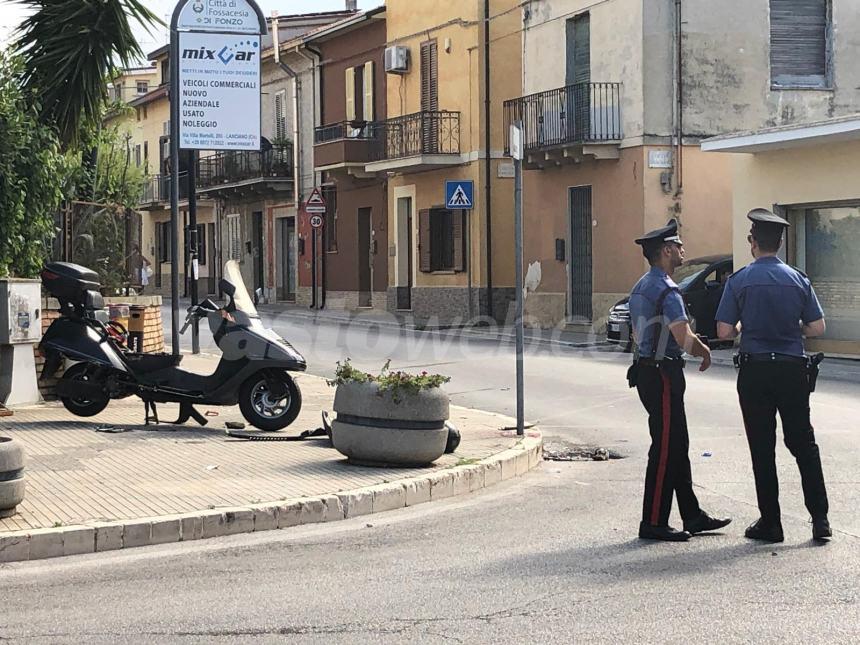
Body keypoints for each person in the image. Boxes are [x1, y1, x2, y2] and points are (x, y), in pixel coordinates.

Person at [716, 209, 831, 543]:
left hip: (755, 371)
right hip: (792, 369)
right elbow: (817, 327)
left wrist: (743, 325)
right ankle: (820, 519)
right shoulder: (798, 279)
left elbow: (724, 330)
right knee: (803, 443)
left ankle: (772, 523)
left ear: (753, 242)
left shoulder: (739, 281)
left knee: (762, 447)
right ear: (780, 244)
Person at [629, 219, 731, 542]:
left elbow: (638, 332)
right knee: (664, 448)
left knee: (677, 444)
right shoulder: (667, 289)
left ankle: (691, 514)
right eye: (678, 245)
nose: (683, 249)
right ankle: (654, 521)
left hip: (647, 370)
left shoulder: (641, 286)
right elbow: (683, 336)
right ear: (666, 251)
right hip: (663, 374)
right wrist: (704, 351)